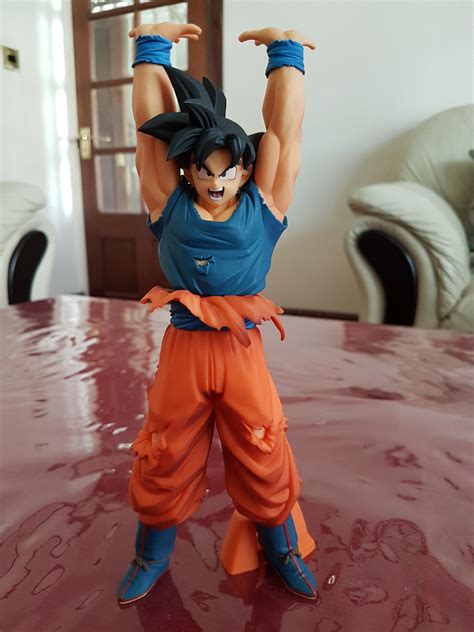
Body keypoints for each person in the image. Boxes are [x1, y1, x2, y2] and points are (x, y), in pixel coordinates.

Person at [118, 21, 317, 606]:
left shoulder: (265, 205)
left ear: (245, 169)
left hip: (241, 350)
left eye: (226, 170)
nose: (214, 181)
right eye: (203, 170)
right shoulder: (169, 203)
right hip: (184, 349)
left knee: (263, 447)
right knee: (163, 450)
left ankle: (280, 548)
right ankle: (150, 554)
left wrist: (285, 54)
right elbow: (148, 131)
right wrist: (151, 48)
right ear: (188, 169)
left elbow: (285, 133)